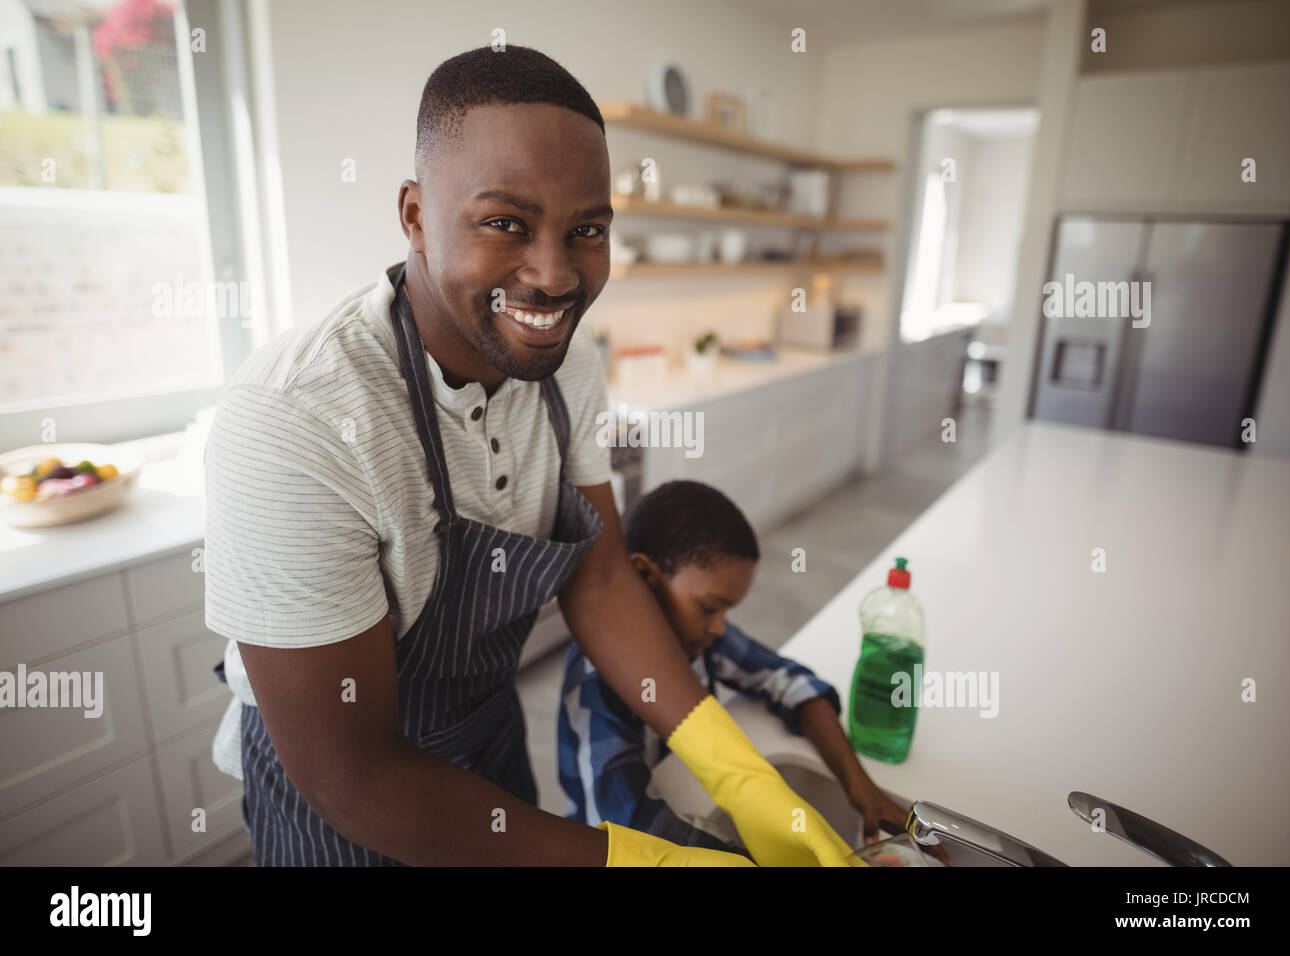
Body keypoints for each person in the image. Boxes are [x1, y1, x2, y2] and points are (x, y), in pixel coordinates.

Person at [203, 44, 857, 866]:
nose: (554, 276)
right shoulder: (298, 418)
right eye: (505, 222)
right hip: (344, 803)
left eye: (586, 230)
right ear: (413, 215)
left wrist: (739, 777)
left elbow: (602, 573)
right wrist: (642, 860)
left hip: (488, 742)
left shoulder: (568, 365)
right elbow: (356, 773)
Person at [558, 480, 916, 855]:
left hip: (687, 801)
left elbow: (789, 681)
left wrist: (860, 787)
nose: (719, 627)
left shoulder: (698, 637)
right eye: (711, 608)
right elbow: (625, 824)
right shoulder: (593, 684)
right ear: (646, 576)